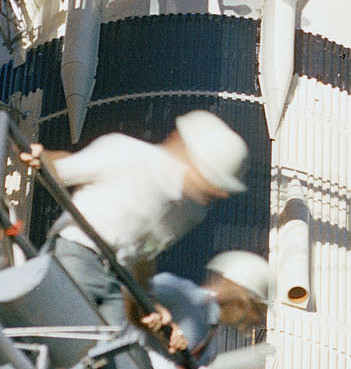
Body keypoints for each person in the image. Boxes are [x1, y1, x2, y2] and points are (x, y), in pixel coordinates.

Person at [49, 108, 249, 274]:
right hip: (76, 254)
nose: (220, 194)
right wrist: (29, 154)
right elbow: (61, 169)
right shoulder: (130, 155)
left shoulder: (190, 211)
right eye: (214, 181)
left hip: (111, 276)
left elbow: (144, 255)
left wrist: (148, 304)